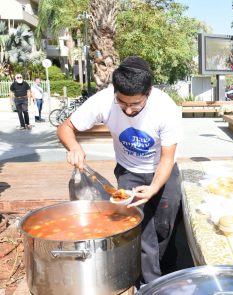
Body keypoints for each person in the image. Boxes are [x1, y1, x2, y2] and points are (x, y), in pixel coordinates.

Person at [57, 56, 186, 285]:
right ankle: (150, 285)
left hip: (163, 173)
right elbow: (66, 127)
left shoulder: (166, 108)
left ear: (149, 92)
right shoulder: (104, 100)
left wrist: (155, 187)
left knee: (166, 228)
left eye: (135, 104)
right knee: (140, 230)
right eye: (122, 102)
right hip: (129, 172)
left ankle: (169, 274)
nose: (127, 110)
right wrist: (74, 146)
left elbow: (167, 158)